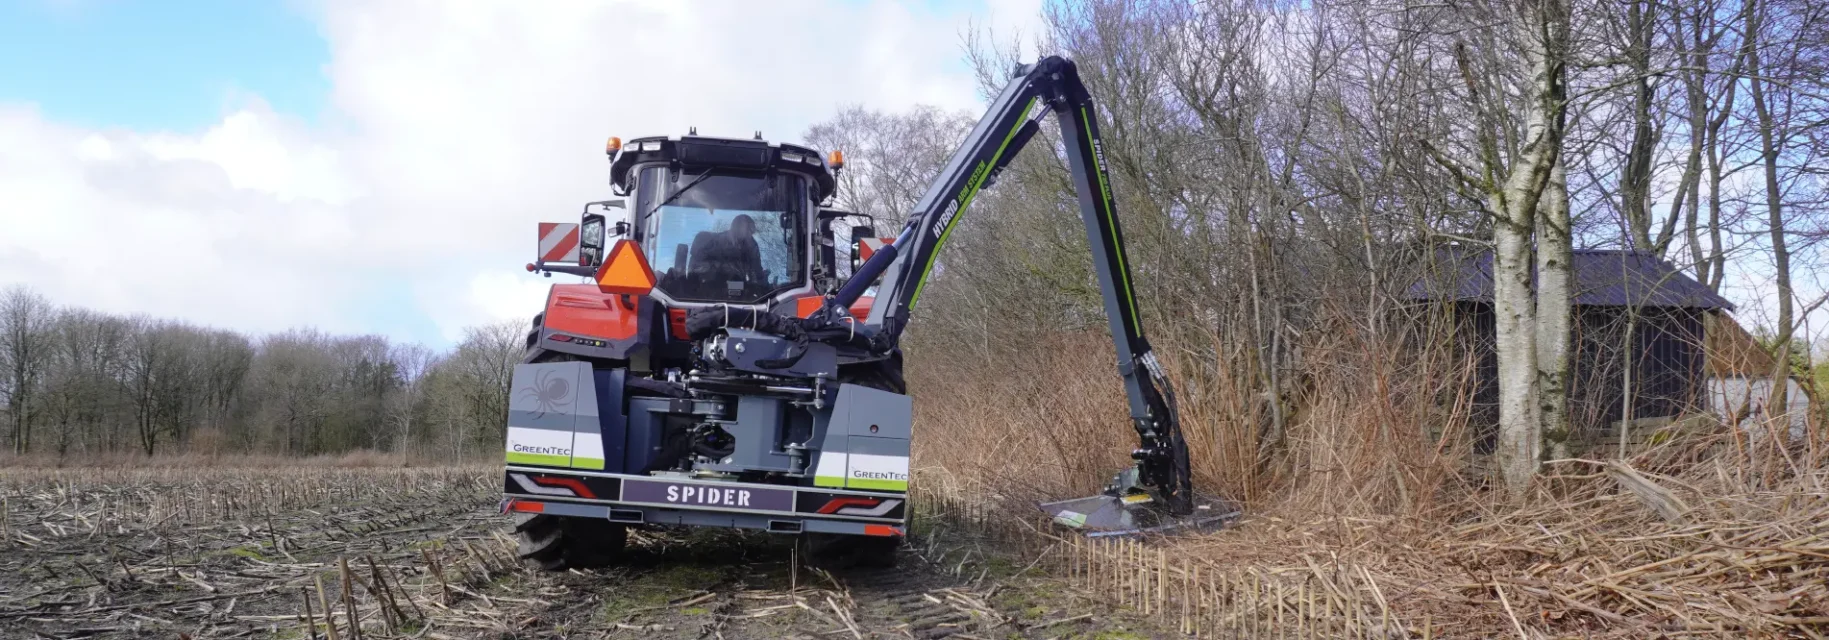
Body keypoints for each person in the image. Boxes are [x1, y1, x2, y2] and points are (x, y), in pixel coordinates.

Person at [688, 214, 768, 289]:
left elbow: (756, 272)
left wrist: (763, 284)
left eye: (751, 232)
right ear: (737, 227)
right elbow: (697, 271)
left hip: (740, 294)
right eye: (748, 230)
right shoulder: (712, 242)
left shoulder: (751, 247)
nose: (750, 235)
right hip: (707, 288)